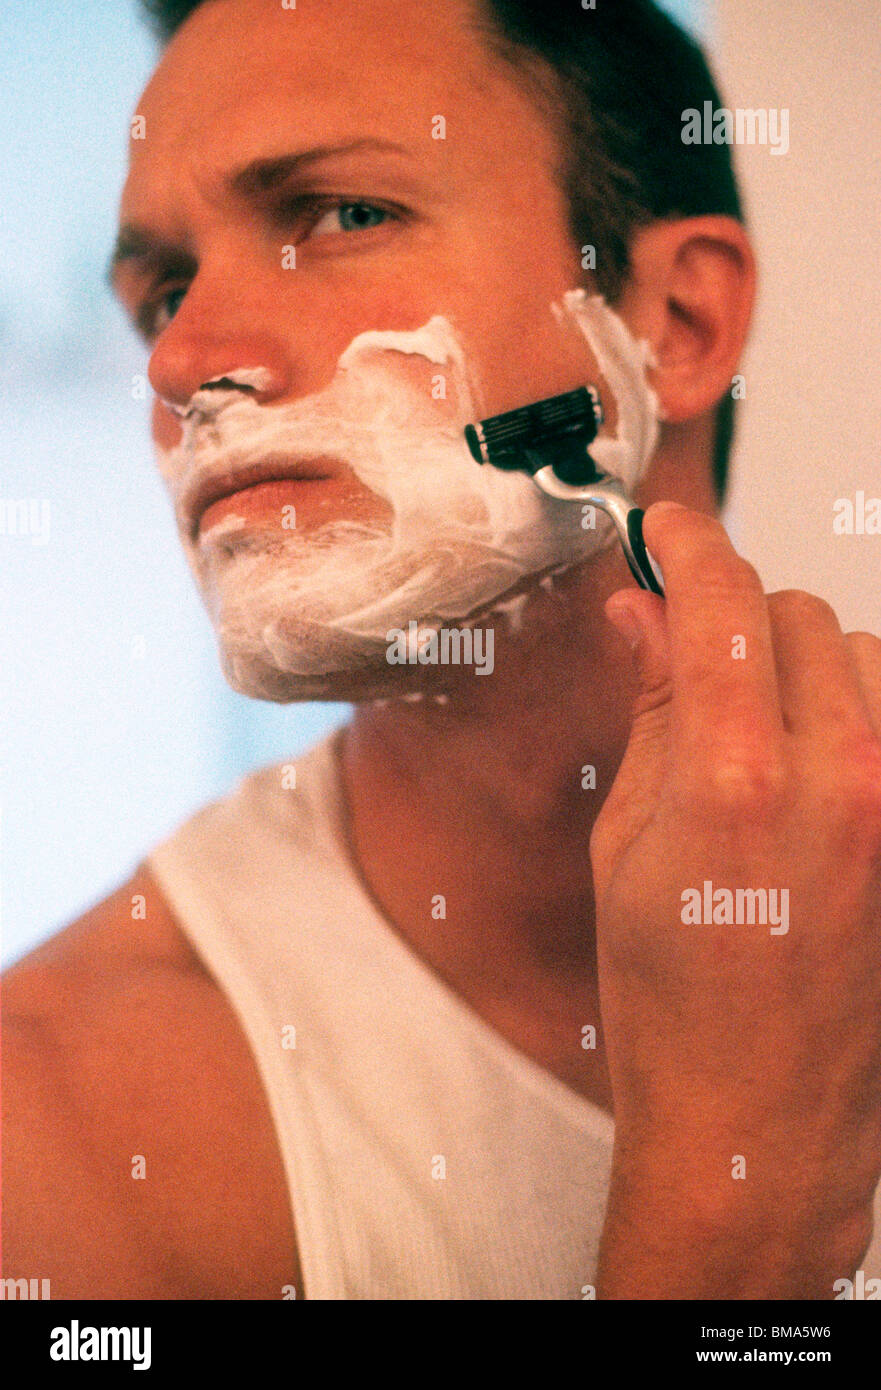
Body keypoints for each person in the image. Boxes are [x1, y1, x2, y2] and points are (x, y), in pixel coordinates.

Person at [4, 0, 881, 1301]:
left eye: (340, 214)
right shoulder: (54, 1131)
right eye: (162, 291)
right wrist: (720, 1244)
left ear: (677, 321)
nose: (185, 361)